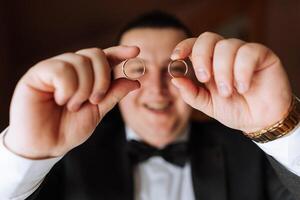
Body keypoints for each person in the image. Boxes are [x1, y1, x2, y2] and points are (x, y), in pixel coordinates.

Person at [0, 11, 300, 200]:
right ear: (112, 80)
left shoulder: (254, 152)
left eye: (175, 70)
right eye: (138, 70)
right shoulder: (65, 160)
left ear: (199, 75)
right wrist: (26, 155)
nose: (157, 89)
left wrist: (282, 128)